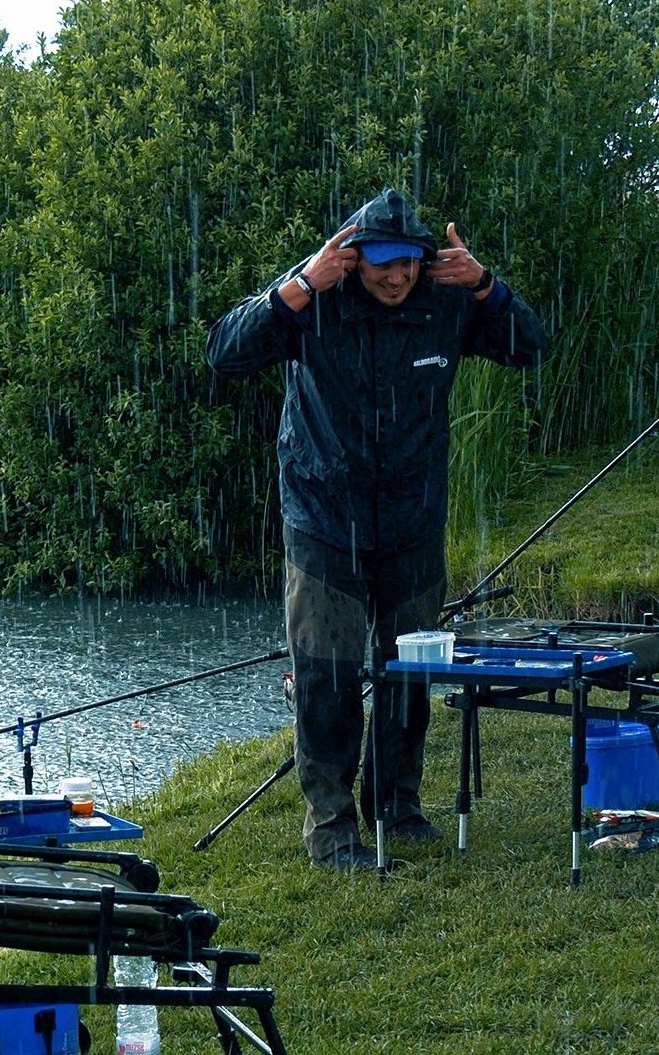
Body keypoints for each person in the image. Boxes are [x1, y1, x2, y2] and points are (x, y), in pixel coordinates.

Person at [206, 188, 546, 872]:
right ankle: (331, 830)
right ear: (353, 259)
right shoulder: (315, 303)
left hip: (414, 522)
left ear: (424, 260)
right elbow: (225, 352)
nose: (396, 278)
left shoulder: (446, 302)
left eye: (408, 265)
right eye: (382, 265)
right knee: (327, 680)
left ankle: (398, 807)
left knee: (409, 675)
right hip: (324, 521)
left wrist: (486, 287)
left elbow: (530, 347)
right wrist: (297, 286)